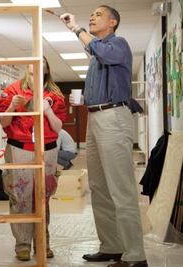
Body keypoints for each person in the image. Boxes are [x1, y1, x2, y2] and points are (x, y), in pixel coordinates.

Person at [60, 5, 148, 267]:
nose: (92, 17)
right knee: (99, 187)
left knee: (121, 189)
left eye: (98, 15)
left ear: (113, 22)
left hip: (113, 118)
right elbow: (94, 52)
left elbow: (99, 50)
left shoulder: (118, 44)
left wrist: (77, 28)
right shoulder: (96, 54)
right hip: (95, 118)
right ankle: (112, 246)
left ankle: (136, 256)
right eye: (91, 15)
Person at [0, 58, 66, 261]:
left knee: (43, 197)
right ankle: (22, 245)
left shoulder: (55, 95)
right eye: (32, 68)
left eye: (40, 68)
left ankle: (42, 242)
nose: (36, 72)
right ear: (27, 68)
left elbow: (58, 127)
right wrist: (11, 105)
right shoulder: (13, 90)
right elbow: (3, 121)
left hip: (48, 150)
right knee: (20, 198)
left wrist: (47, 110)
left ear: (46, 70)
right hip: (20, 149)